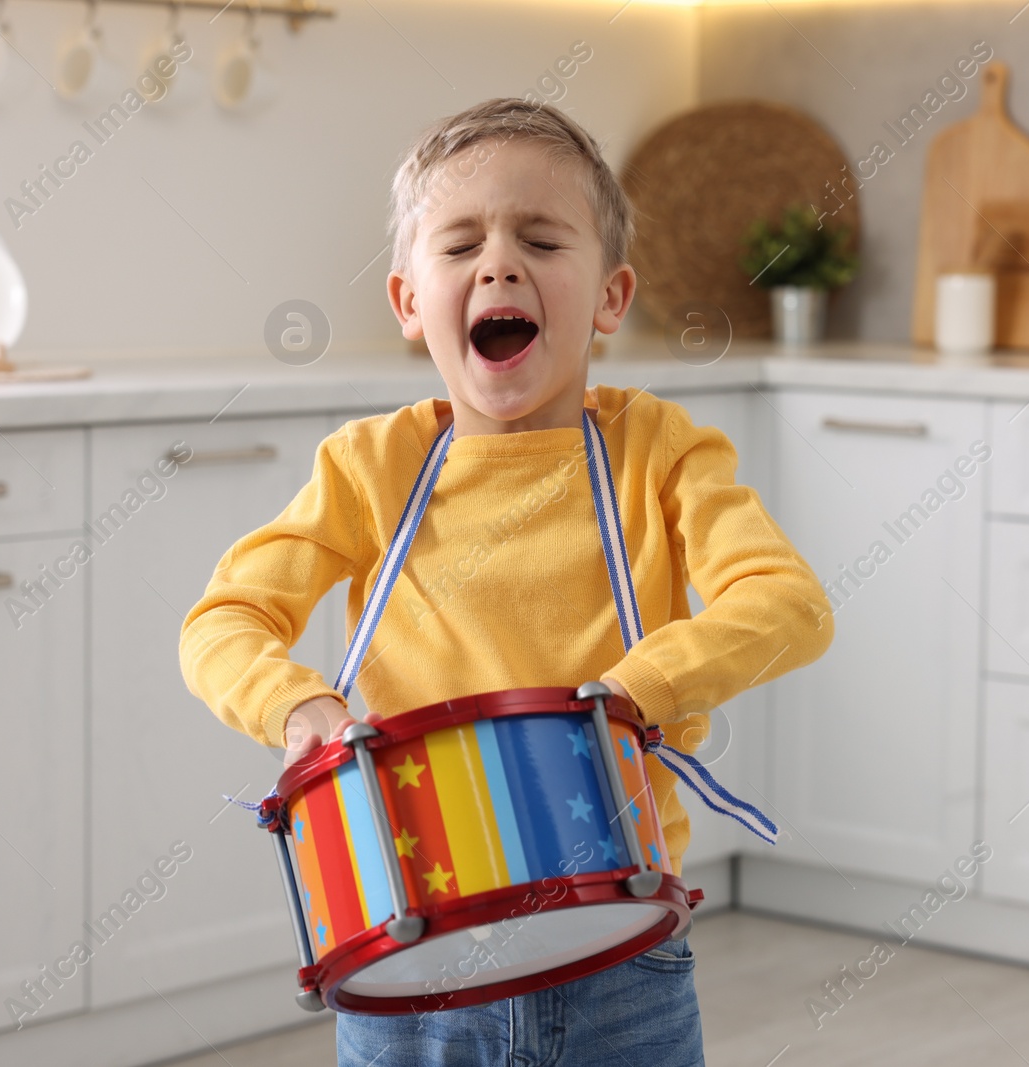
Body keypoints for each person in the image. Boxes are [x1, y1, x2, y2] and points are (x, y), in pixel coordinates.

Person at [180, 97, 835, 1067]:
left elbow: (788, 603)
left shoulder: (657, 452)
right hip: (413, 960)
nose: (497, 263)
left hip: (621, 957)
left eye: (539, 236)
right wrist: (298, 705)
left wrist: (633, 693)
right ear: (408, 301)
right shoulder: (370, 467)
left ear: (611, 297)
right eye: (459, 246)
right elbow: (225, 617)